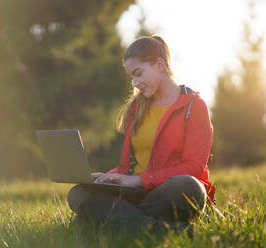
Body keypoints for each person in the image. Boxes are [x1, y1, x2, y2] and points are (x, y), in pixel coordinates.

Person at [67, 35, 215, 237]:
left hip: (167, 191)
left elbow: (193, 167)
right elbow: (130, 166)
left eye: (138, 73)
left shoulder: (194, 107)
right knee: (77, 193)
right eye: (131, 78)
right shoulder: (137, 107)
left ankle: (106, 219)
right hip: (136, 193)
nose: (135, 83)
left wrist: (139, 181)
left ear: (159, 65)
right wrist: (107, 177)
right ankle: (163, 231)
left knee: (190, 186)